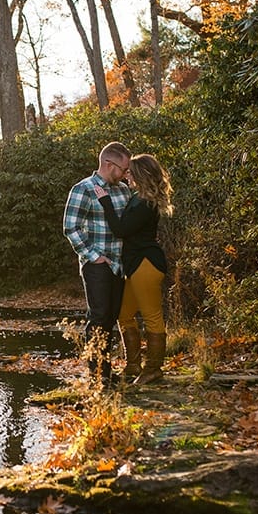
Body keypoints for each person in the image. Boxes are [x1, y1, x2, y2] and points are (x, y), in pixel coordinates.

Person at [93, 153, 174, 385]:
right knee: (124, 314)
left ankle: (153, 369)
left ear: (140, 174)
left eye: (131, 172)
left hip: (146, 264)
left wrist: (105, 201)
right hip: (134, 264)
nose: (127, 175)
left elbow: (120, 229)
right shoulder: (137, 197)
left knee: (152, 316)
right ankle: (132, 366)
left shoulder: (146, 203)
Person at [63, 142, 132, 386]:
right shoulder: (84, 189)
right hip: (97, 264)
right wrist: (93, 256)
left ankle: (107, 371)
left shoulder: (123, 191)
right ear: (108, 164)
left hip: (119, 264)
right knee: (99, 316)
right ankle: (97, 376)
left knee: (112, 317)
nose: (125, 174)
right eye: (123, 169)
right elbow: (71, 227)